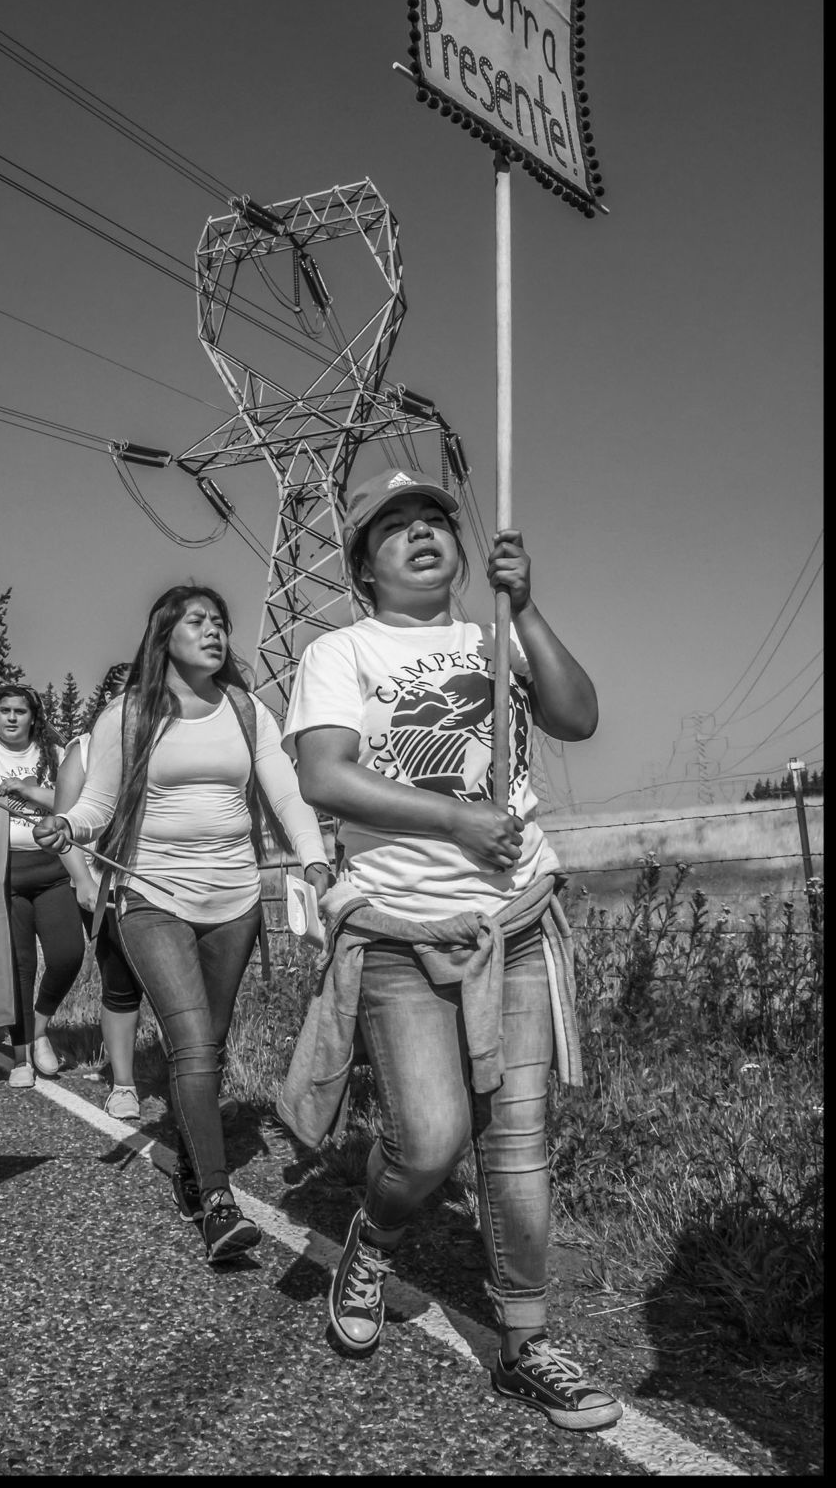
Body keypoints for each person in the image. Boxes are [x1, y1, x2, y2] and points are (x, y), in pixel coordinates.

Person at [279, 468, 621, 1432]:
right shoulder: (340, 651)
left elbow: (578, 716)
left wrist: (529, 607)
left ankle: (527, 1341)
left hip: (512, 923)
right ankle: (375, 1233)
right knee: (429, 1138)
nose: (422, 533)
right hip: (400, 928)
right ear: (365, 568)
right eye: (396, 527)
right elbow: (324, 776)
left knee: (516, 1145)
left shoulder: (493, 634)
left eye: (434, 519)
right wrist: (458, 821)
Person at [34, 585, 331, 1266]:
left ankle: (195, 1164)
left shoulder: (245, 709)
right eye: (197, 620)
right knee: (192, 1042)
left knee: (214, 1043)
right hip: (151, 895)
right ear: (164, 633)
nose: (214, 630)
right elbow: (97, 803)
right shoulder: (127, 713)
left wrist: (313, 859)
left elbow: (284, 789)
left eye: (220, 621)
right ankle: (219, 1205)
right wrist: (66, 825)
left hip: (234, 900)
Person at [0, 684, 84, 1086]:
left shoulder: (56, 756)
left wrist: (31, 792)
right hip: (1, 871)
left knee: (67, 955)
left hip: (53, 866)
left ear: (34, 716)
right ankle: (22, 1056)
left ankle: (40, 1026)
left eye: (21, 711)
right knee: (20, 966)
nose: (12, 718)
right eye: (5, 710)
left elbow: (75, 804)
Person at [55, 662, 145, 1122]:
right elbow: (64, 822)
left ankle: (194, 1081)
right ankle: (124, 1084)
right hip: (111, 885)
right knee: (121, 983)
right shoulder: (85, 750)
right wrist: (83, 881)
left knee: (181, 990)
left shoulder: (164, 740)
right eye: (118, 697)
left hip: (165, 881)